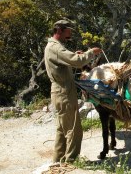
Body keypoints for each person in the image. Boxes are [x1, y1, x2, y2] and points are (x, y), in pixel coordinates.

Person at [44, 19, 102, 163]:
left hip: (59, 92)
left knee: (62, 129)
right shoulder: (55, 48)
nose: (70, 33)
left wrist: (74, 56)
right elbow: (77, 61)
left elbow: (66, 61)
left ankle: (58, 160)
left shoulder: (53, 46)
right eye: (68, 30)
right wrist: (91, 53)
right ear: (59, 30)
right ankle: (71, 162)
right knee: (74, 131)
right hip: (64, 92)